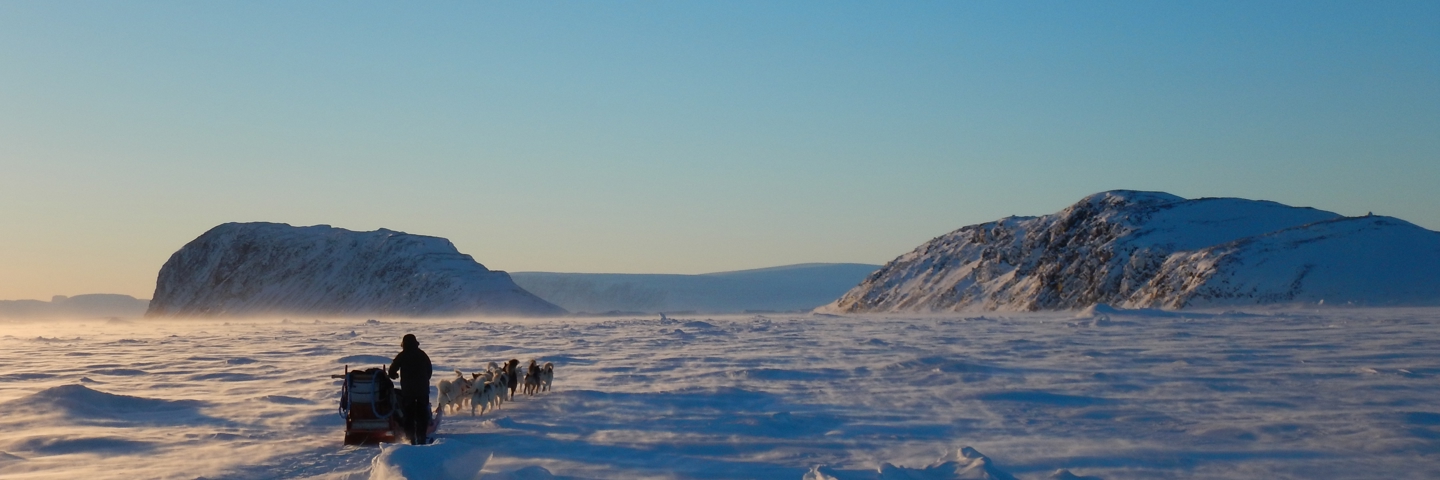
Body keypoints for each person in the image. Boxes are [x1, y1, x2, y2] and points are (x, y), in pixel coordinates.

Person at [388, 334, 432, 445]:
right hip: (422, 390)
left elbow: (392, 371)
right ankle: (422, 436)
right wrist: (424, 380)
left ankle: (411, 438)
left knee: (409, 414)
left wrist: (394, 376)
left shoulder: (402, 355)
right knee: (422, 413)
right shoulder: (422, 355)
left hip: (408, 391)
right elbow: (429, 370)